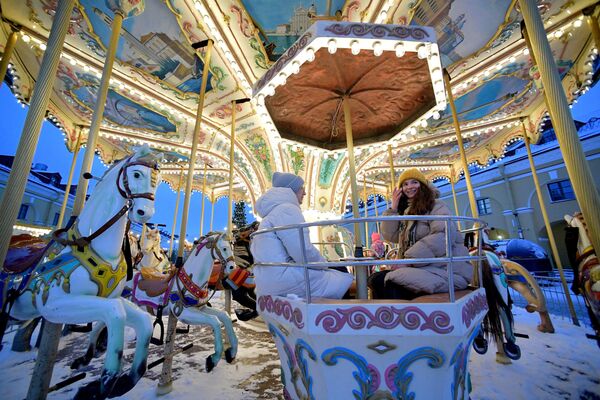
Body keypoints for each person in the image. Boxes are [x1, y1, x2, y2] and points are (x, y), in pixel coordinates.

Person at [369, 168, 472, 299]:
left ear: (422, 185)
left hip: (444, 269)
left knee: (387, 281)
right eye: (405, 184)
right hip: (422, 266)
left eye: (414, 182)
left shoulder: (436, 206)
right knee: (375, 279)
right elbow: (392, 236)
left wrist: (409, 261)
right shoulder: (407, 212)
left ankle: (399, 317)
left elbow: (443, 235)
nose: (409, 187)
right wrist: (393, 208)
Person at [251, 172, 353, 299]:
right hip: (286, 280)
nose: (304, 192)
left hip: (270, 278)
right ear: (291, 190)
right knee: (342, 273)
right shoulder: (287, 210)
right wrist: (324, 263)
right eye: (301, 188)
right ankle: (345, 315)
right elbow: (302, 251)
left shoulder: (272, 213)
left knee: (336, 270)